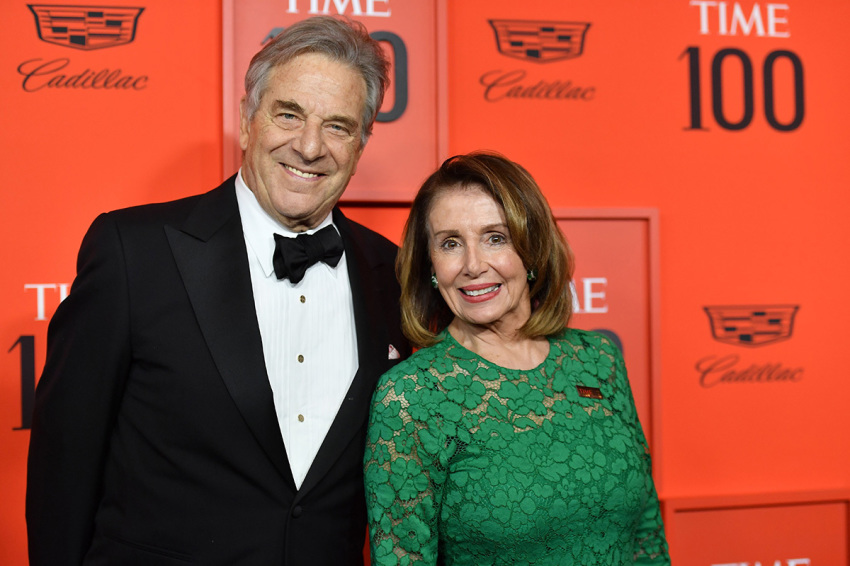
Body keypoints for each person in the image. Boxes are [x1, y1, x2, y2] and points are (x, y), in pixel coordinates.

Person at [26, 16, 410, 566]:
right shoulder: (134, 252)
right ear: (248, 119)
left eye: (338, 126)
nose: (308, 146)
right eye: (289, 114)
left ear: (361, 143)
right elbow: (64, 464)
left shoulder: (392, 273)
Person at [364, 152, 669, 565]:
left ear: (532, 248)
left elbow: (646, 533)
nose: (473, 266)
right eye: (451, 243)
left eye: (495, 237)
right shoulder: (411, 396)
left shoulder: (598, 359)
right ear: (431, 265)